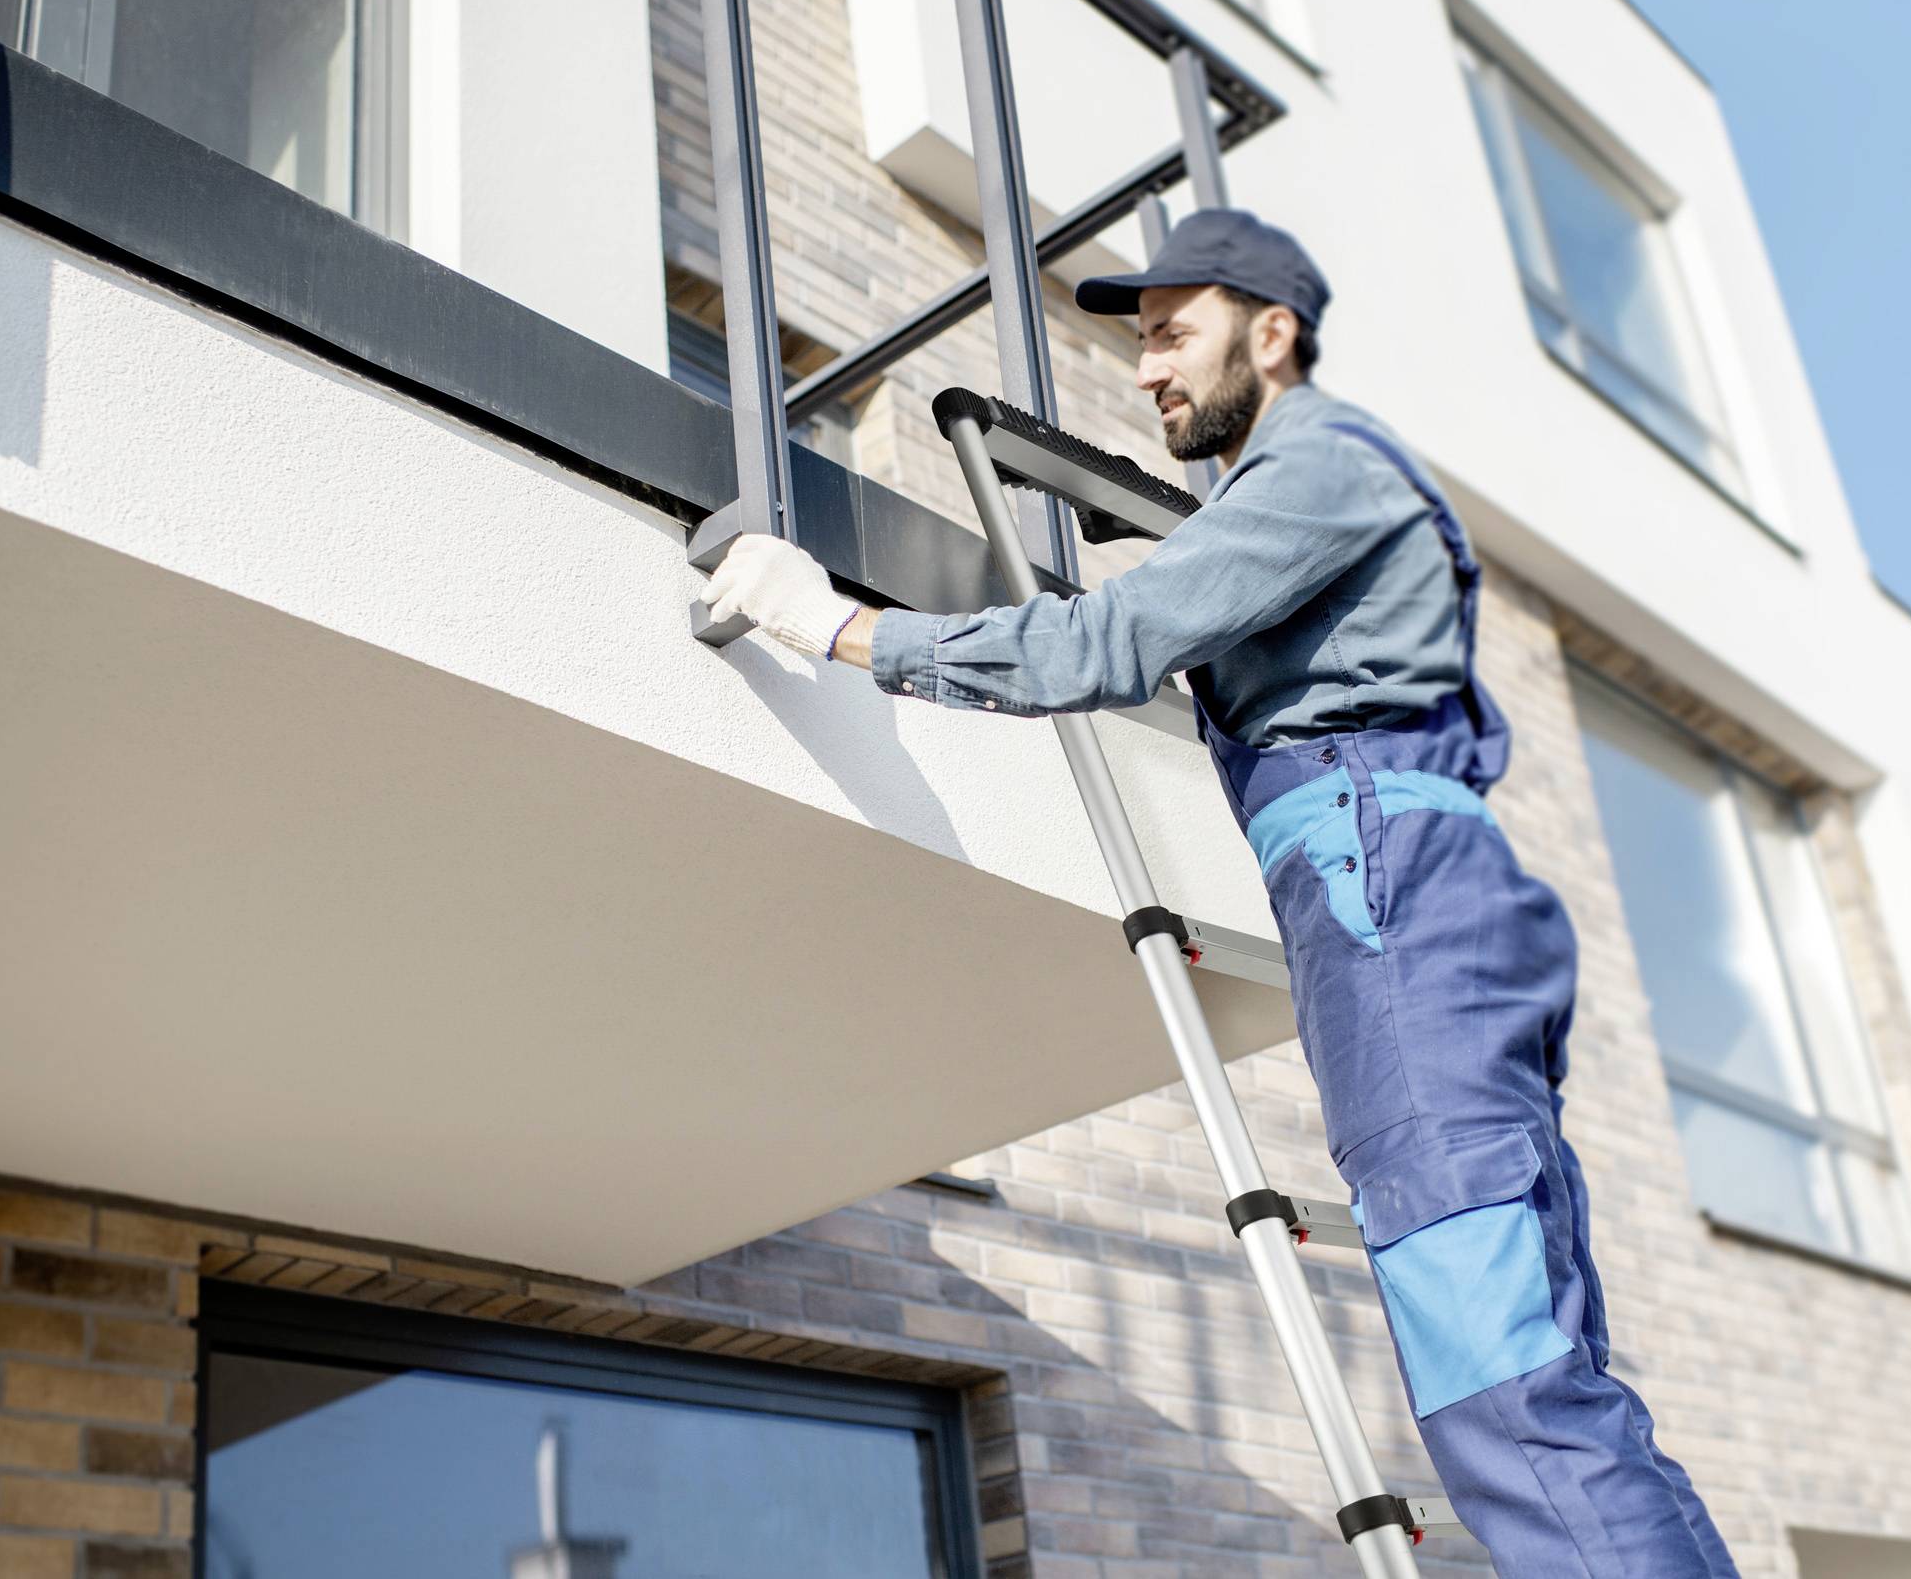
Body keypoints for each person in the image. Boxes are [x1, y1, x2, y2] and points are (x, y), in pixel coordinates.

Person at [698, 209, 1738, 1576]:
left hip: (1387, 893)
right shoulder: (1315, 487)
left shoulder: (1317, 469)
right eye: (1137, 344)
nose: (1146, 370)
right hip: (1419, 891)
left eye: (1172, 333)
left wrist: (833, 624)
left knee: (1505, 1388)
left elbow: (1116, 637)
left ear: (1273, 331)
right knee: (1544, 1373)